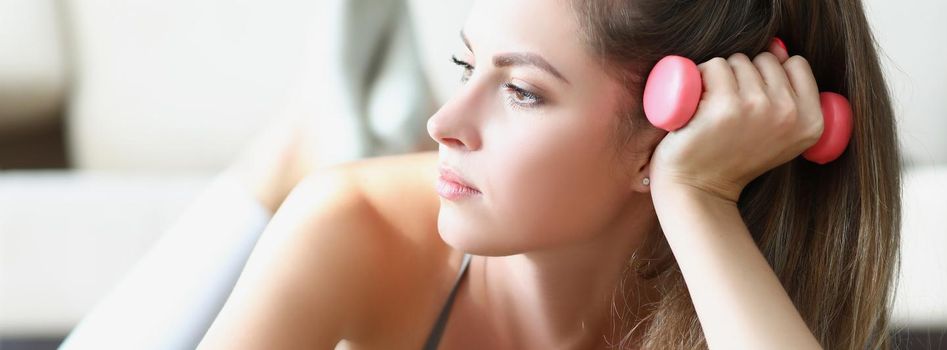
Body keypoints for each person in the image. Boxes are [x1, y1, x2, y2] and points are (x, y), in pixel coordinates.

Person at [199, 0, 902, 349]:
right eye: (466, 66)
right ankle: (310, 132)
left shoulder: (741, 287)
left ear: (666, 132)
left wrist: (699, 199)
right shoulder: (350, 222)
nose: (443, 123)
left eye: (521, 92)